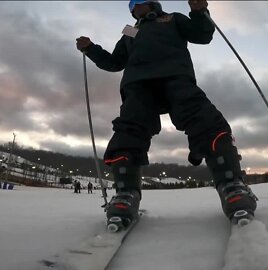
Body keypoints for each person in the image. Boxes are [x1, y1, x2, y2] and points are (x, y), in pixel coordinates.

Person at [76, 0, 257, 225]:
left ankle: (231, 184)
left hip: (176, 76)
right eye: (132, 4)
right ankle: (126, 193)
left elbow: (202, 35)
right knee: (129, 128)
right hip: (138, 84)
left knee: (204, 119)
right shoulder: (130, 31)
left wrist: (199, 12)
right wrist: (91, 49)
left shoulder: (172, 18)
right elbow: (114, 62)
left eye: (140, 1)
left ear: (153, 3)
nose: (136, 5)